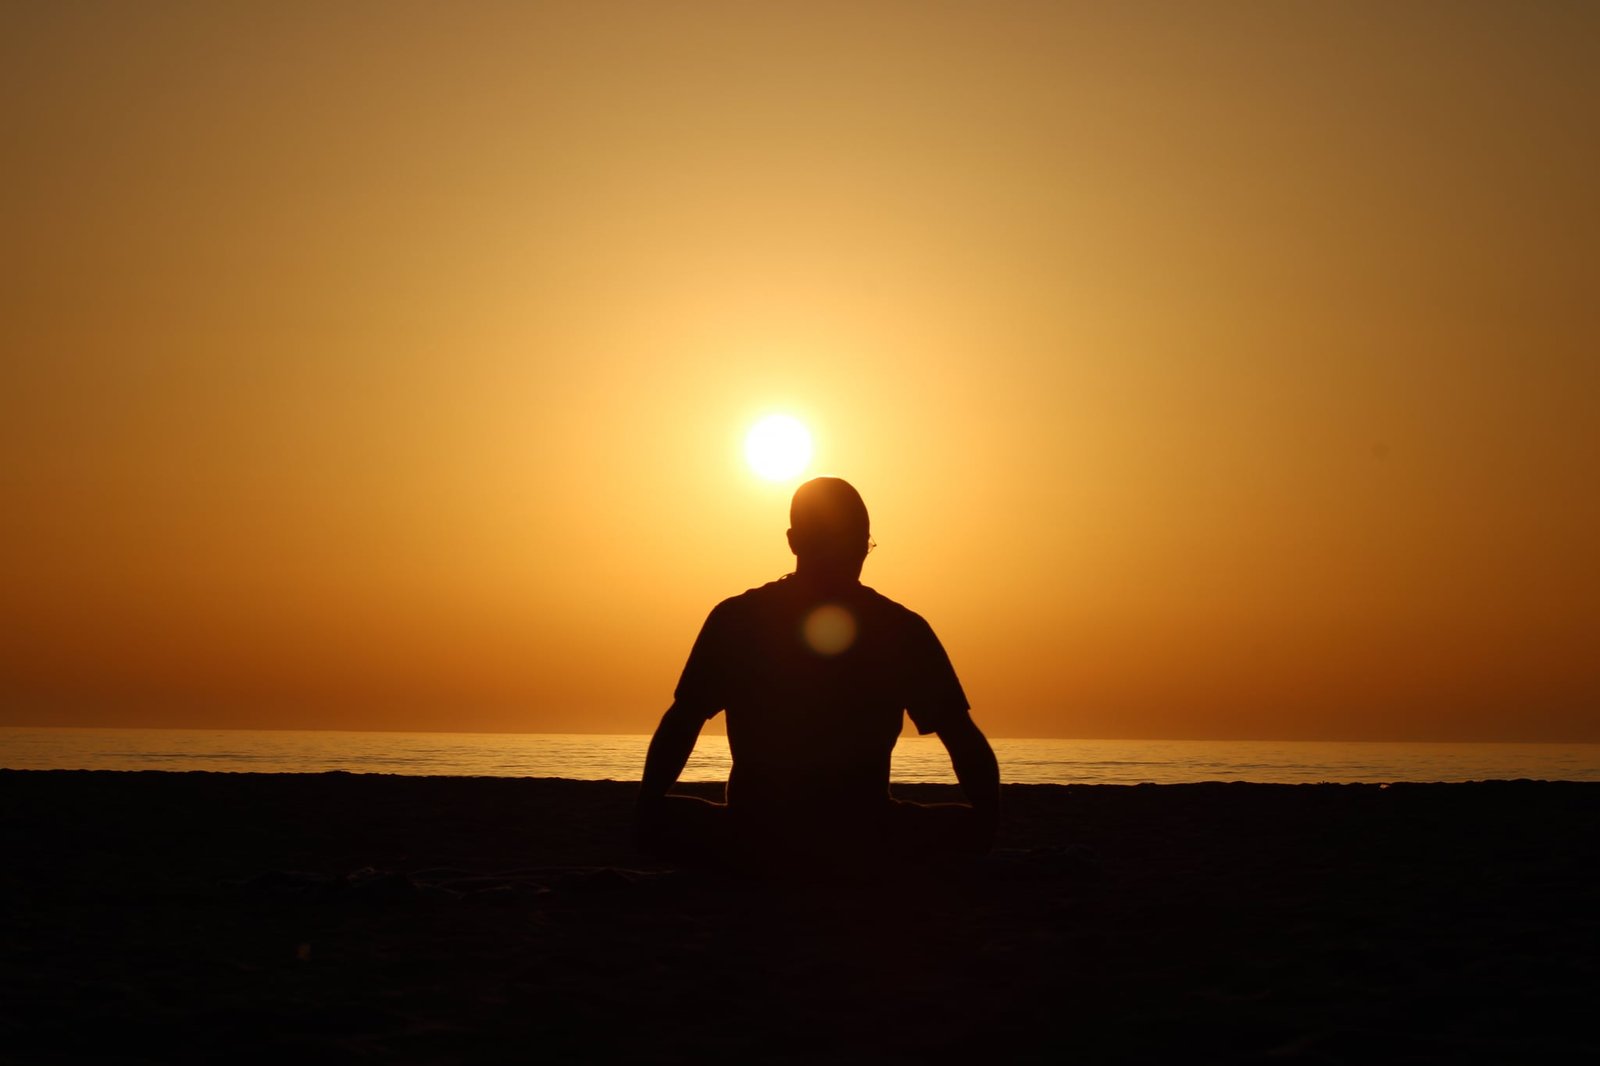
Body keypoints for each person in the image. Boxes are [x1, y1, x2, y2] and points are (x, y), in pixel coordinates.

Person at [634, 476, 1000, 871]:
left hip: (756, 832)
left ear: (793, 540)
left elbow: (683, 720)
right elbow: (960, 735)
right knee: (961, 827)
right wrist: (988, 820)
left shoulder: (738, 618)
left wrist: (647, 807)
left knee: (663, 819)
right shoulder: (900, 628)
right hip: (862, 835)